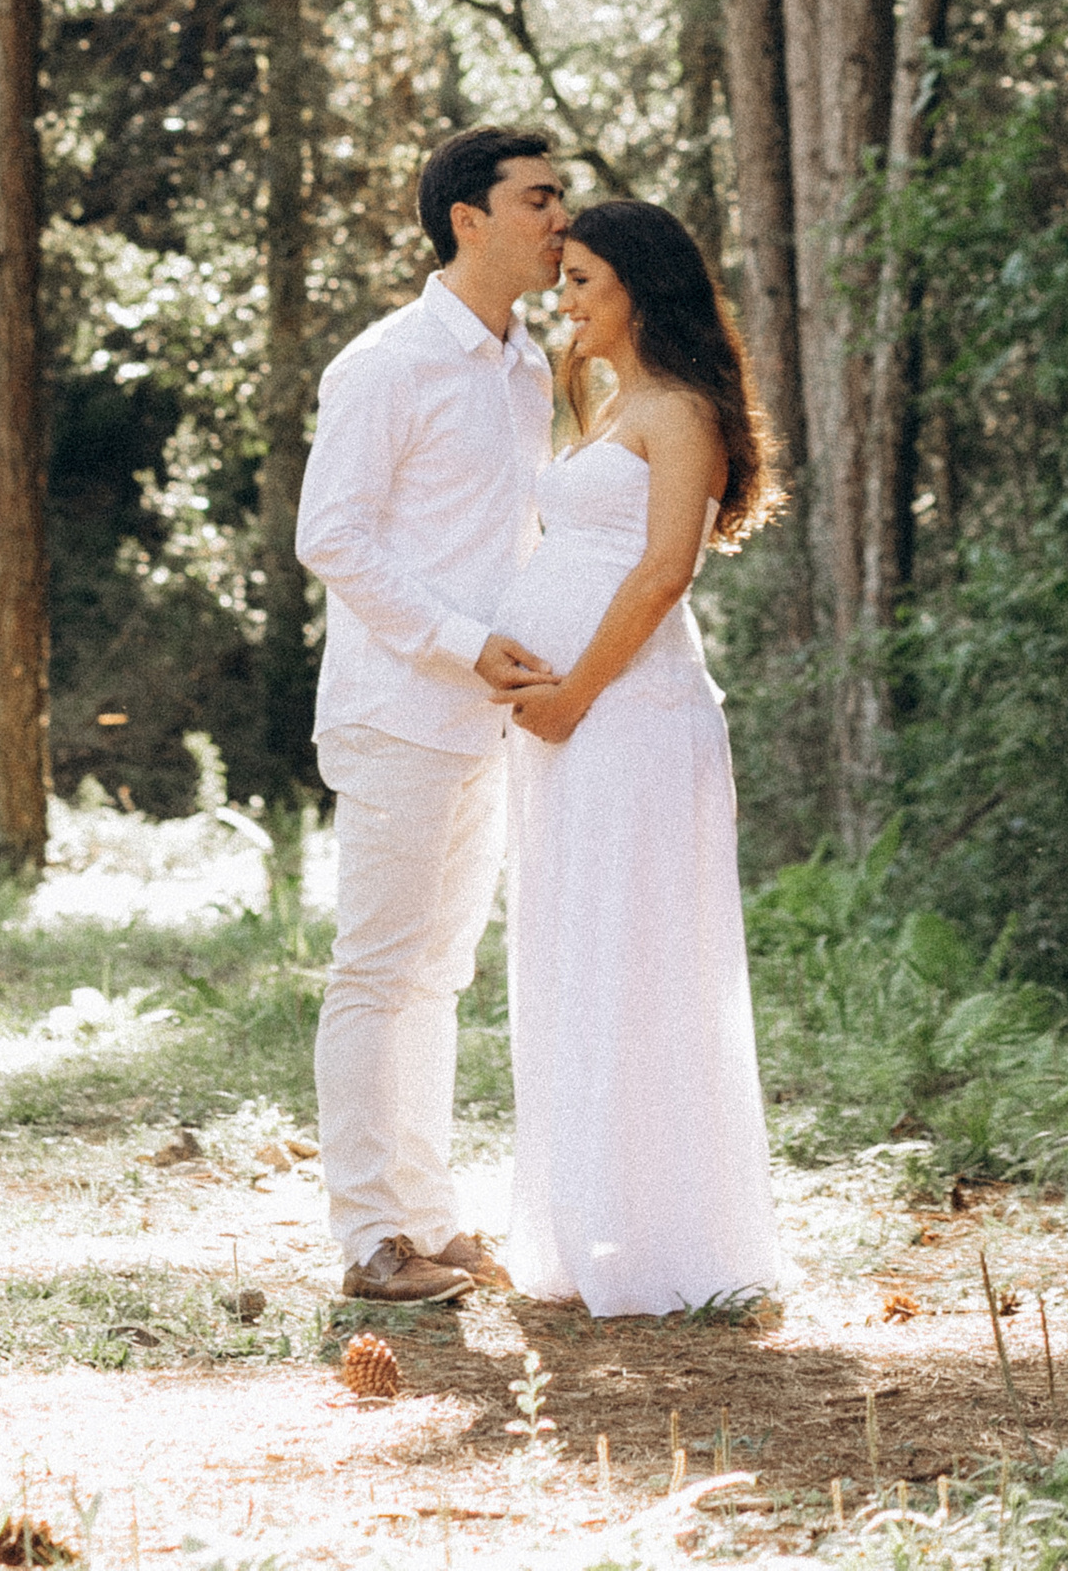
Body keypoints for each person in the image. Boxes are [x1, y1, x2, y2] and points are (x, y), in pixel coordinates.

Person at [294, 125, 567, 1306]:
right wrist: (460, 645)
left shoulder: (529, 370)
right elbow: (330, 536)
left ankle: (431, 1222)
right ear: (468, 217)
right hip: (400, 707)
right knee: (375, 970)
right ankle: (369, 1241)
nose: (561, 220)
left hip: (491, 723)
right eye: (540, 198)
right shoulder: (386, 363)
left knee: (440, 976)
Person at [498, 196, 781, 1317]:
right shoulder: (610, 405)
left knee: (639, 961)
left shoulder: (682, 414)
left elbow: (665, 571)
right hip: (575, 727)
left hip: (631, 716)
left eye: (581, 282)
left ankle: (667, 1241)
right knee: (572, 952)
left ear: (639, 291)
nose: (562, 301)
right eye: (561, 280)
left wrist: (569, 694)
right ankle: (586, 1226)